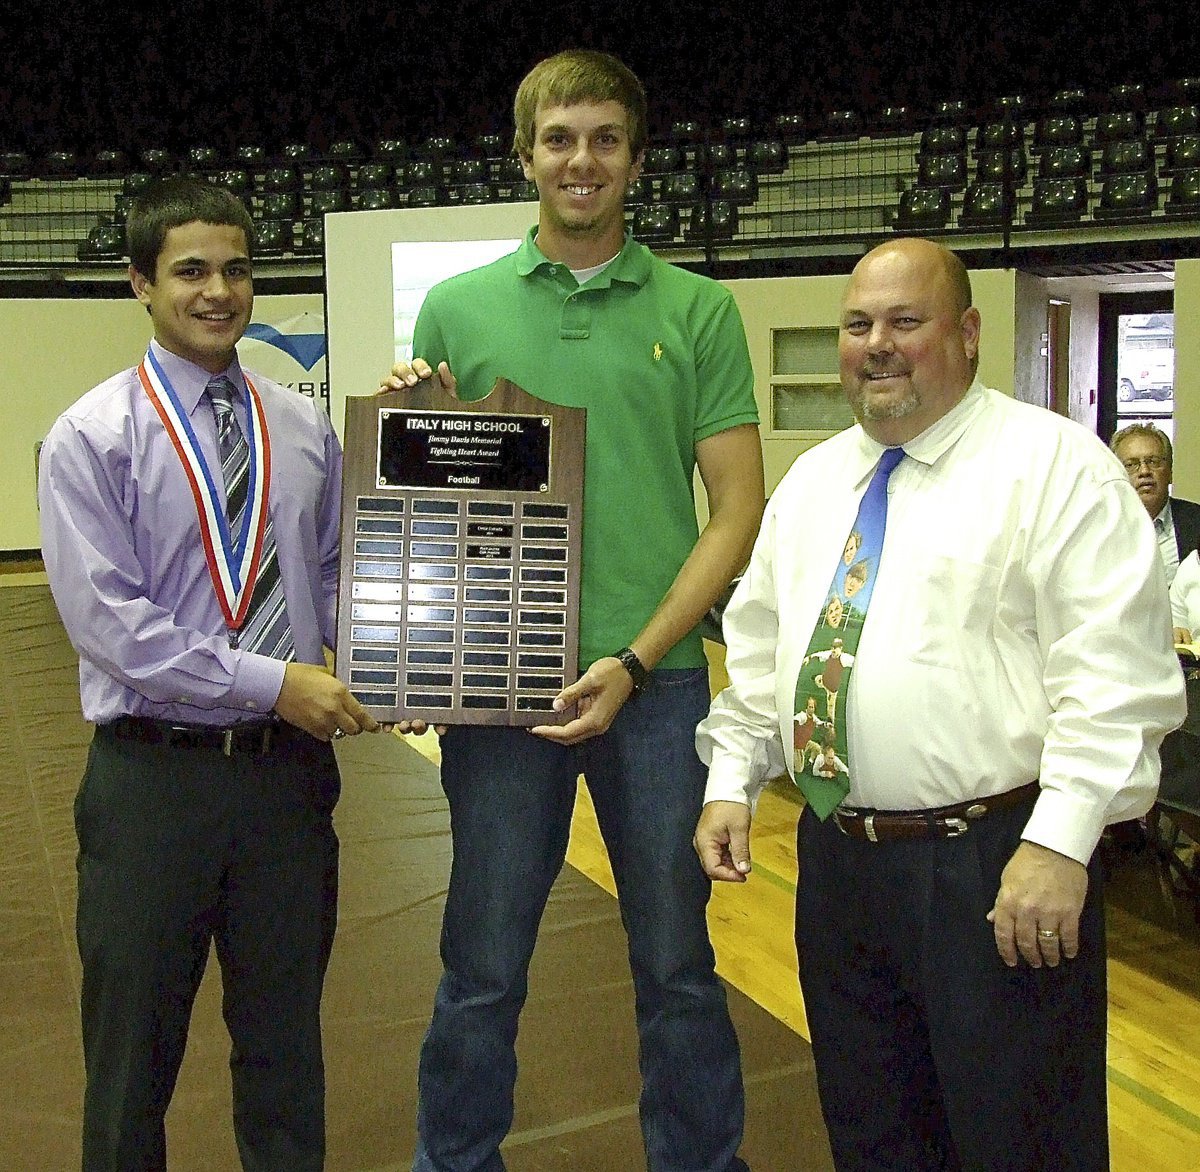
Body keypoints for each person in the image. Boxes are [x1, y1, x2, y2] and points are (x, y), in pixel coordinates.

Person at [693, 238, 1185, 1171]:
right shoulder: (813, 485)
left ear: (966, 334)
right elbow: (763, 648)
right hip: (840, 871)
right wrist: (733, 777)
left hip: (997, 868)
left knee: (1021, 1141)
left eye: (904, 322)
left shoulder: (1056, 471)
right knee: (873, 1133)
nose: (876, 345)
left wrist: (1058, 843)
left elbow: (1115, 682)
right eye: (857, 325)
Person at [381, 48, 763, 1172]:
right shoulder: (458, 306)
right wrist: (404, 432)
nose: (580, 160)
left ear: (637, 158)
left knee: (679, 965)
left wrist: (640, 660)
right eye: (559, 139)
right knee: (483, 962)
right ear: (524, 155)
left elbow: (735, 511)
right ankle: (454, 1161)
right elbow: (430, 510)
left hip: (659, 687)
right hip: (501, 684)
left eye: (603, 138)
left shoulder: (697, 308)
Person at [38, 177, 378, 1172]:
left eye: (236, 268)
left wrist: (406, 659)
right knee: (131, 1061)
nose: (218, 290)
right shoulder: (92, 436)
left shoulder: (302, 425)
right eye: (190, 269)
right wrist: (274, 681)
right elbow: (113, 627)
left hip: (285, 783)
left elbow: (331, 572)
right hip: (153, 784)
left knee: (286, 1051)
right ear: (141, 281)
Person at [1111, 422, 1200, 584]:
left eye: (1153, 461)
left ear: (1170, 472)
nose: (1144, 471)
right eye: (1131, 464)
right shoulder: (1100, 525)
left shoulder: (1196, 521)